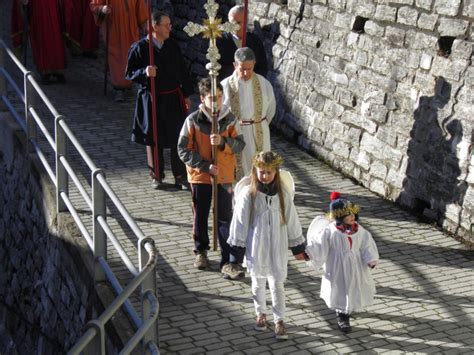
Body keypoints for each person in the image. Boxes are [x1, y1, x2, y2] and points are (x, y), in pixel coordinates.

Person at [227, 151, 306, 340]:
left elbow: (292, 220)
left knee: (277, 283)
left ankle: (279, 319)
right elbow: (239, 223)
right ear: (256, 172)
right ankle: (260, 313)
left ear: (276, 173)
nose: (265, 176)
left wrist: (298, 247)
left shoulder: (283, 195)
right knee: (258, 282)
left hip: (277, 247)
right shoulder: (249, 194)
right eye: (262, 172)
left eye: (270, 172)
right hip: (257, 246)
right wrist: (236, 253)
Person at [177, 77, 245, 271]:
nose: (217, 102)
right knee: (201, 214)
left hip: (224, 175)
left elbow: (240, 144)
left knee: (225, 215)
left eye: (220, 97)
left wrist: (223, 143)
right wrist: (205, 166)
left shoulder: (230, 119)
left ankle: (228, 260)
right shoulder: (192, 120)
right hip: (201, 176)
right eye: (212, 98)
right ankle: (200, 251)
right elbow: (183, 150)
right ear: (202, 98)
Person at [126, 10, 194, 190]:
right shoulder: (140, 48)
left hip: (173, 97)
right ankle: (157, 174)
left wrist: (186, 94)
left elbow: (182, 70)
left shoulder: (172, 45)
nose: (170, 28)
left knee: (177, 136)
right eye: (166, 25)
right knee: (153, 137)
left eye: (170, 24)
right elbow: (129, 73)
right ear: (155, 27)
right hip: (152, 99)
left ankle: (180, 175)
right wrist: (144, 73)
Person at [305, 192, 379, 333]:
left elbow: (366, 244)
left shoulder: (359, 230)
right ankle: (342, 316)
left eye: (353, 214)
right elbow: (320, 244)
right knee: (340, 288)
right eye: (348, 215)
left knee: (354, 285)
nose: (352, 217)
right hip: (337, 266)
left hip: (355, 266)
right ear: (339, 217)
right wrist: (310, 253)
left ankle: (349, 307)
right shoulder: (330, 231)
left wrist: (370, 259)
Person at [221, 47, 276, 180]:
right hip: (237, 132)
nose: (246, 73)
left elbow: (271, 109)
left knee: (262, 168)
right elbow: (221, 112)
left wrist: (260, 124)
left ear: (254, 64)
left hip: (259, 130)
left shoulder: (264, 83)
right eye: (242, 69)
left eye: (249, 69)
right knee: (241, 171)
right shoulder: (225, 85)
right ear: (234, 65)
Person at [90, 0, 147, 102]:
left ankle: (129, 83)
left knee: (130, 55)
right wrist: (102, 9)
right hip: (113, 29)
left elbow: (140, 7)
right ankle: (118, 88)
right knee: (115, 57)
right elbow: (95, 5)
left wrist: (144, 24)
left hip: (130, 28)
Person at [12, 0, 67, 84]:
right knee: (42, 36)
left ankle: (57, 69)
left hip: (53, 5)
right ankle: (45, 71)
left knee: (56, 36)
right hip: (37, 7)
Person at [216, 4, 268, 80]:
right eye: (232, 23)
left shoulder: (255, 41)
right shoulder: (220, 41)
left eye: (239, 23)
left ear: (246, 22)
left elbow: (262, 67)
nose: (235, 26)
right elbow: (217, 67)